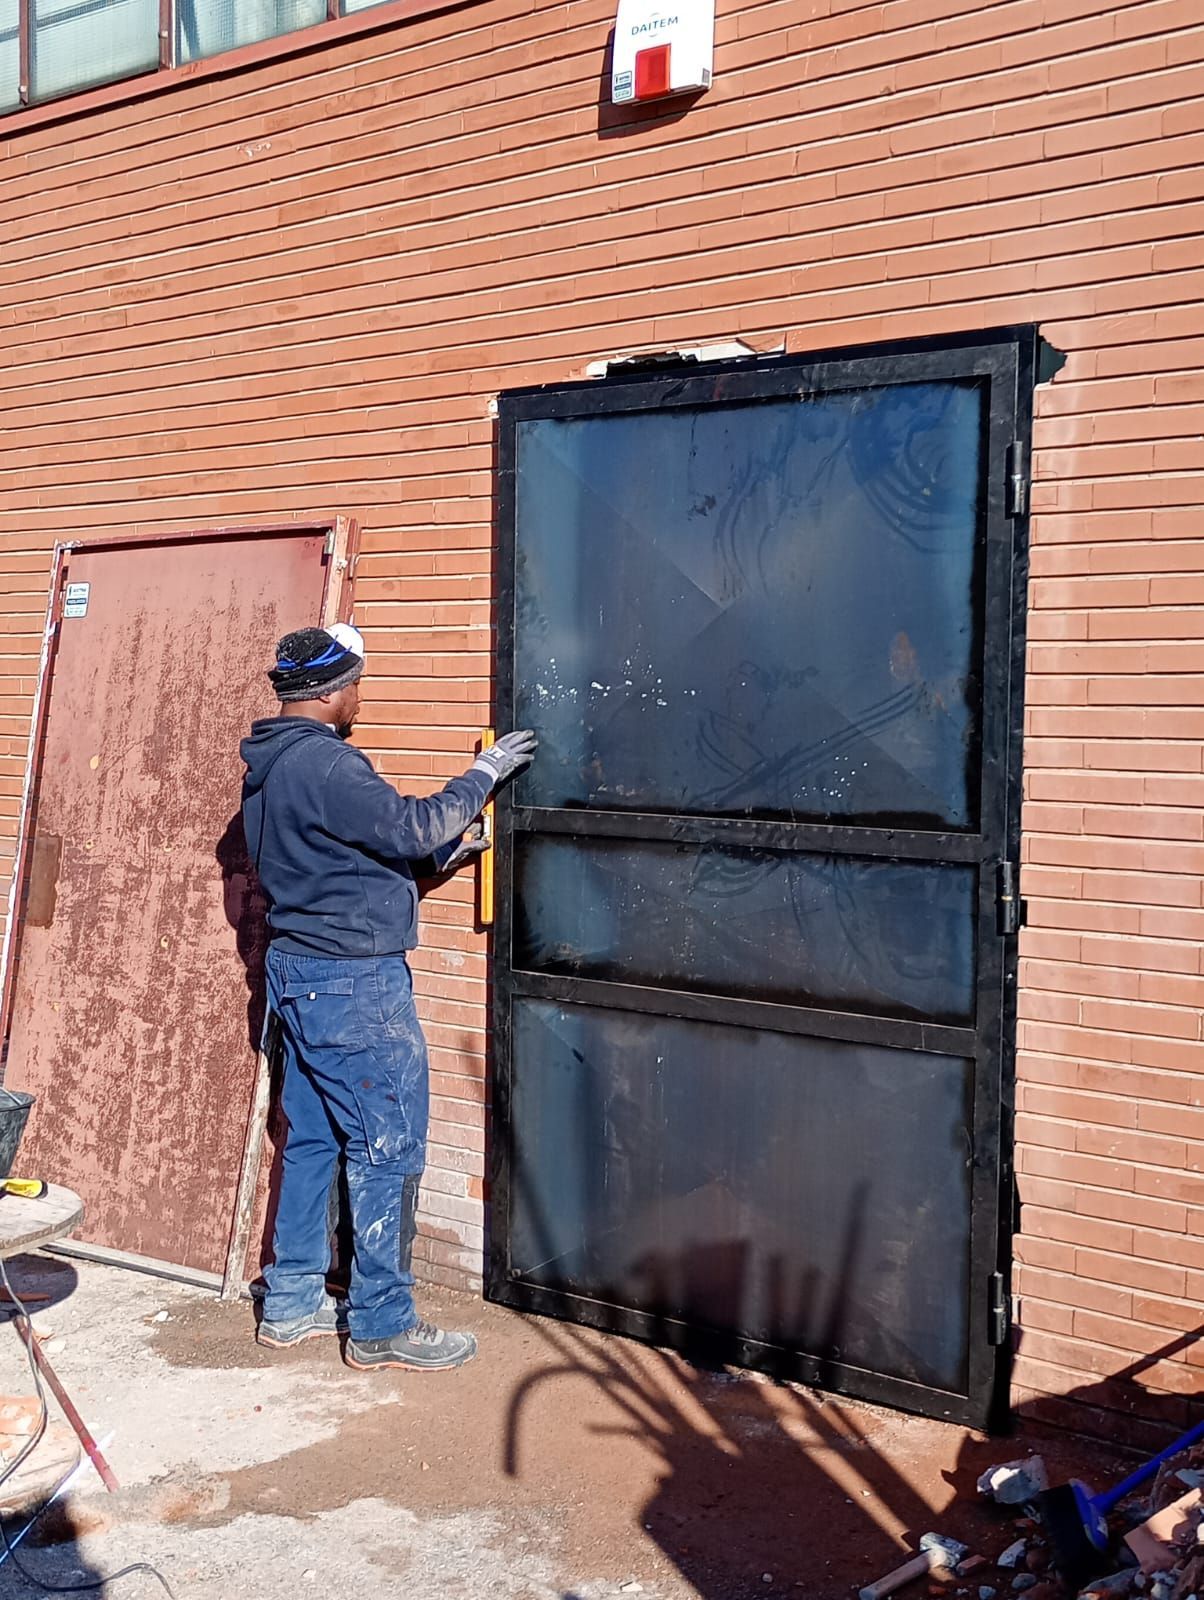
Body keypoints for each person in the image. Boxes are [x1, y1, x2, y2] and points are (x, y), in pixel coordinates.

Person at [240, 624, 536, 1371]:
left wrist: (439, 859)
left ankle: (292, 1301)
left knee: (310, 1139)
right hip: (353, 985)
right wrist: (485, 773)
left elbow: (341, 860)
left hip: (298, 975)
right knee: (388, 1146)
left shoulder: (271, 765)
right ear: (335, 691)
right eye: (358, 688)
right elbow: (413, 823)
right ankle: (381, 1323)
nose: (360, 701)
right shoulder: (329, 764)